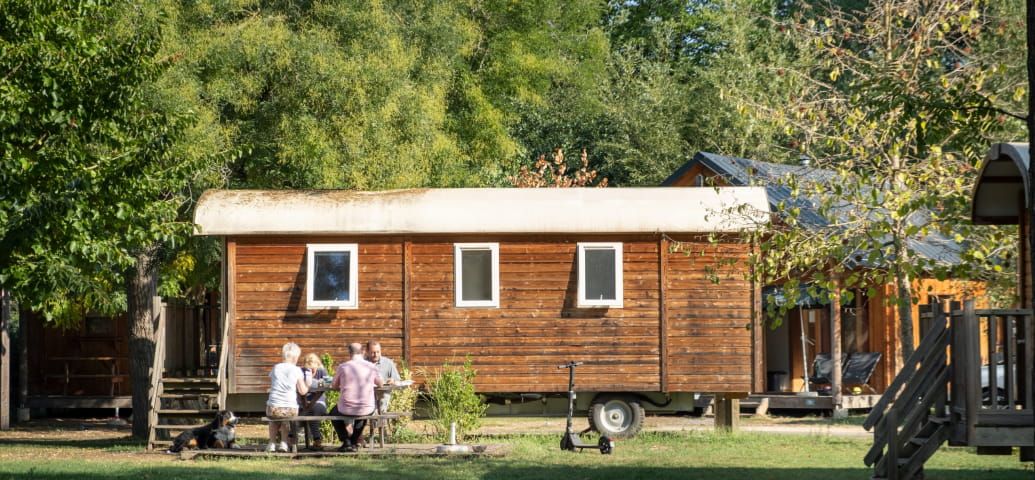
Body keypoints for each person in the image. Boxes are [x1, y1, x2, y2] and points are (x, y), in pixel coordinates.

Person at [329, 342, 383, 452]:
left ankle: (346, 441)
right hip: (366, 407)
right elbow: (380, 383)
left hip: (346, 408)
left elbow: (334, 385)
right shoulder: (371, 367)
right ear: (362, 352)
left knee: (333, 413)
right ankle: (353, 442)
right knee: (363, 414)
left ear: (349, 353)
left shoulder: (343, 367)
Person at [266, 342, 309, 453]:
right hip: (291, 408)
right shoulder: (296, 370)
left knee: (273, 419)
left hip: (274, 407)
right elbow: (303, 391)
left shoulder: (276, 368)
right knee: (286, 419)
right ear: (295, 357)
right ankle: (284, 443)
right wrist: (308, 384)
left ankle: (272, 443)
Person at [299, 353, 329, 450]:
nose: (311, 371)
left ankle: (291, 437)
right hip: (303, 402)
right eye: (308, 368)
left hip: (318, 401)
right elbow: (299, 391)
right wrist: (305, 404)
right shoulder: (300, 372)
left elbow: (324, 389)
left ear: (317, 365)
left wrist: (310, 404)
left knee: (313, 410)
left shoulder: (322, 372)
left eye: (313, 368)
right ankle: (317, 440)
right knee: (304, 412)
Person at [366, 340, 400, 412]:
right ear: (367, 351)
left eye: (378, 352)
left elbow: (397, 379)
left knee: (380, 412)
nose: (376, 354)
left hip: (383, 397)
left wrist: (393, 381)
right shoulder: (362, 363)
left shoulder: (388, 363)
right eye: (373, 352)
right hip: (366, 398)